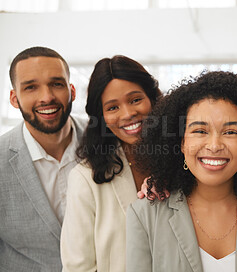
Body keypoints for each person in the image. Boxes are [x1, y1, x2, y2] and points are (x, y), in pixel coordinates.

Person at [127, 71, 237, 272]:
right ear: (181, 142)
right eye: (200, 131)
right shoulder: (145, 214)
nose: (214, 145)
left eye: (230, 132)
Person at [60, 55, 162, 271]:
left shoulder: (183, 161)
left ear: (152, 99)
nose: (128, 114)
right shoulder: (85, 178)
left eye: (135, 100)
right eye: (113, 108)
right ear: (101, 116)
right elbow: (78, 266)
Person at [0, 46, 86, 271]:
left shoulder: (108, 142)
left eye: (57, 84)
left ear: (72, 91)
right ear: (14, 98)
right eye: (30, 87)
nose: (46, 97)